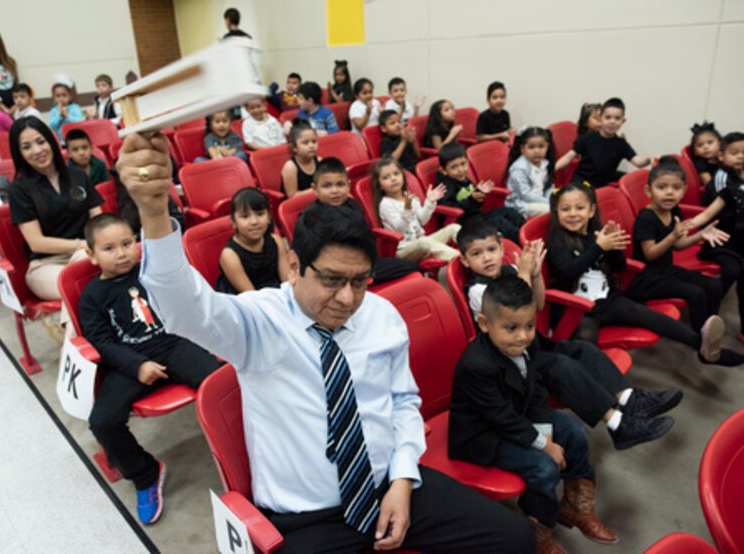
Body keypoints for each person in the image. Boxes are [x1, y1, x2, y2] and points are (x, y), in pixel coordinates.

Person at [115, 133, 536, 552]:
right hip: (307, 517)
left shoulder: (381, 315)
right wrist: (154, 214)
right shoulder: (261, 321)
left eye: (360, 281)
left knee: (513, 538)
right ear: (295, 266)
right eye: (332, 280)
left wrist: (403, 480)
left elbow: (403, 401)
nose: (348, 298)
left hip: (389, 484)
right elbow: (182, 307)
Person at [457, 220, 680, 451]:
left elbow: (539, 304)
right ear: (465, 260)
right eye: (477, 253)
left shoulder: (509, 271)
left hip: (529, 345)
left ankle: (630, 399)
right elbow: (520, 312)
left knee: (583, 349)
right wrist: (524, 273)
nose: (487, 258)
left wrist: (534, 275)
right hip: (510, 362)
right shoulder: (478, 290)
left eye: (492, 250)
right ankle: (619, 425)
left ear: (502, 250)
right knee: (563, 366)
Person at [449, 276, 617, 553]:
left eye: (529, 325)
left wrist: (546, 435)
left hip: (518, 417)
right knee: (542, 468)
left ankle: (574, 507)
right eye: (511, 328)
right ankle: (537, 534)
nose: (523, 335)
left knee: (574, 432)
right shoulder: (475, 365)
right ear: (484, 324)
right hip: (482, 435)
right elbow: (500, 417)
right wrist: (543, 445)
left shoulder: (523, 345)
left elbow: (536, 391)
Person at [79, 213, 220, 525]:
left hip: (174, 344)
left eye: (128, 243)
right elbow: (101, 341)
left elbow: (185, 300)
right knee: (102, 422)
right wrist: (137, 364)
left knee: (220, 386)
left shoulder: (152, 272)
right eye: (109, 248)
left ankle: (239, 446)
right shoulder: (91, 296)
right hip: (129, 362)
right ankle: (145, 474)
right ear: (91, 255)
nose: (122, 253)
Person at [546, 182, 744, 366]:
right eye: (565, 209)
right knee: (588, 345)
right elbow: (569, 272)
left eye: (579, 208)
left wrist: (614, 247)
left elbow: (619, 267)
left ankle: (704, 349)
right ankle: (597, 390)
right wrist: (599, 248)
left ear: (591, 211)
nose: (573, 214)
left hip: (608, 300)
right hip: (577, 308)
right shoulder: (557, 240)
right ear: (556, 212)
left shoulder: (598, 234)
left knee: (656, 319)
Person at [7, 116, 103, 342]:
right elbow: (37, 242)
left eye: (41, 141)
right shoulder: (19, 189)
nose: (37, 150)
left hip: (85, 255)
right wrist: (82, 244)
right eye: (27, 146)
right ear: (19, 153)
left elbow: (97, 220)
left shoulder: (77, 174)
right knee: (79, 285)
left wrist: (93, 246)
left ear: (51, 141)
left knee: (86, 277)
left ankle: (75, 351)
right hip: (46, 265)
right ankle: (76, 350)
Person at [628, 157, 728, 332]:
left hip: (666, 271)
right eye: (661, 187)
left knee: (715, 285)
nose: (669, 193)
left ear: (684, 191)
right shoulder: (646, 218)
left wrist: (700, 235)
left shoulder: (674, 210)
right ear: (648, 190)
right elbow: (650, 254)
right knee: (695, 293)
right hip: (647, 279)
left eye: (676, 188)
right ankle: (700, 338)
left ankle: (710, 328)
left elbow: (678, 245)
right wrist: (672, 236)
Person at [308, 157, 420, 285]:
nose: (335, 191)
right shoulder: (312, 217)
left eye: (340, 184)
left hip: (365, 263)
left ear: (348, 185)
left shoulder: (353, 205)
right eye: (327, 186)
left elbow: (366, 238)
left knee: (412, 266)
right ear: (315, 189)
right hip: (339, 270)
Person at [694, 132, 744, 341]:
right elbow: (706, 213)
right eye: (735, 153)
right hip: (721, 239)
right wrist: (687, 229)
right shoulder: (727, 185)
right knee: (733, 269)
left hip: (741, 242)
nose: (741, 156)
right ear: (721, 156)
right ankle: (709, 307)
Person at [373, 157, 459, 262]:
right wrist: (407, 209)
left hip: (422, 241)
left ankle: (475, 252)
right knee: (424, 242)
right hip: (403, 249)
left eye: (396, 174)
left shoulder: (411, 197)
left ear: (403, 176)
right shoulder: (385, 204)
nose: (393, 179)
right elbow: (400, 229)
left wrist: (429, 202)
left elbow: (423, 220)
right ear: (380, 185)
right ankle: (460, 259)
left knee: (454, 228)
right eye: (386, 177)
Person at [436, 142, 524, 243]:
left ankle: (526, 233)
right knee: (498, 221)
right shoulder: (445, 187)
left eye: (463, 164)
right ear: (444, 170)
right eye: (454, 167)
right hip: (465, 224)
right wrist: (471, 199)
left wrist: (479, 194)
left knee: (509, 212)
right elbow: (450, 208)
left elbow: (474, 204)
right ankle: (523, 242)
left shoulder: (465, 180)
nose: (460, 170)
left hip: (477, 216)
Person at [556, 97, 650, 188]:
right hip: (581, 182)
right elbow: (568, 157)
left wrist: (649, 159)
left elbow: (638, 162)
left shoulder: (621, 144)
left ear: (623, 121)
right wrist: (551, 168)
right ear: (601, 118)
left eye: (617, 118)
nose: (612, 121)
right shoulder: (586, 138)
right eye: (608, 117)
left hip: (601, 185)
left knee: (632, 180)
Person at [216, 188, 288, 294]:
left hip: (274, 293)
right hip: (248, 301)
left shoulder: (276, 241)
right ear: (233, 221)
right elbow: (251, 296)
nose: (254, 221)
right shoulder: (230, 255)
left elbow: (287, 282)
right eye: (245, 216)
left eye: (260, 214)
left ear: (269, 217)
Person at [505, 126, 556, 218]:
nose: (537, 151)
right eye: (531, 147)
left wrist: (552, 198)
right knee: (556, 210)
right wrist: (549, 202)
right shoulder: (519, 168)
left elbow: (549, 186)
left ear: (547, 147)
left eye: (541, 146)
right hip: (522, 204)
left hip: (541, 200)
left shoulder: (545, 163)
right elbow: (526, 195)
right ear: (522, 149)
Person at [281, 121, 319, 198]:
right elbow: (292, 196)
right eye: (305, 143)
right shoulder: (290, 167)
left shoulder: (320, 160)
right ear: (294, 147)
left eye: (314, 141)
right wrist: (318, 189)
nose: (311, 146)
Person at [689, 122, 723, 188]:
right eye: (700, 145)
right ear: (695, 151)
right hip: (713, 192)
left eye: (710, 142)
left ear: (720, 143)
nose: (706, 147)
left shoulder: (724, 157)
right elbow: (709, 184)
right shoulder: (700, 163)